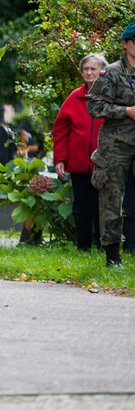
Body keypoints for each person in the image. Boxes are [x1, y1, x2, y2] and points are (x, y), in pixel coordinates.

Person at [86, 22, 135, 266]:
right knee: (111, 200)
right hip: (116, 146)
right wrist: (126, 111)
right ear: (125, 44)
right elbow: (94, 105)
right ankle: (113, 256)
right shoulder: (112, 72)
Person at [53, 54, 107, 251]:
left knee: (103, 208)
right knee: (81, 208)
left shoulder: (111, 96)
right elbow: (60, 130)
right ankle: (83, 247)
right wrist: (60, 158)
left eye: (93, 69)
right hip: (79, 165)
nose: (89, 72)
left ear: (102, 71)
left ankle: (104, 247)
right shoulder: (74, 97)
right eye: (86, 69)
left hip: (105, 164)